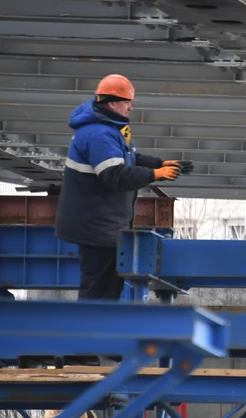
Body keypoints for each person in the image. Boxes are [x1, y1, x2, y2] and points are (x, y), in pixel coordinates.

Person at [55, 74, 194, 300]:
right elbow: (114, 175)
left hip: (102, 226)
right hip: (96, 228)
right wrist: (154, 174)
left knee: (106, 288)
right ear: (112, 103)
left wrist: (159, 163)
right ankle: (90, 331)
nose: (130, 107)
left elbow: (128, 158)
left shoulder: (107, 129)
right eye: (127, 101)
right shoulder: (99, 133)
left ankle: (98, 330)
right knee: (98, 290)